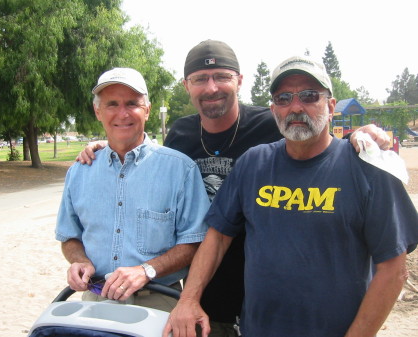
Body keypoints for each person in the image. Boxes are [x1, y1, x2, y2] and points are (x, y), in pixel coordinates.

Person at [77, 40, 392, 337]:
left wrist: (361, 137)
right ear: (186, 85)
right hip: (207, 293)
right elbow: (154, 163)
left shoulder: (271, 124)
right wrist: (113, 144)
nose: (211, 87)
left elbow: (316, 142)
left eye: (221, 76)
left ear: (239, 81)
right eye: (200, 78)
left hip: (275, 297)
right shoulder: (182, 133)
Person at [163, 55, 418, 337]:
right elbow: (218, 236)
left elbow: (393, 272)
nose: (295, 107)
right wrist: (188, 299)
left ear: (330, 106)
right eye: (284, 98)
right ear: (274, 109)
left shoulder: (368, 168)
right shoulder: (253, 164)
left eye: (309, 96)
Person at [55, 67, 210, 312]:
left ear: (147, 110)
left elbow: (195, 241)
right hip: (96, 298)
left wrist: (146, 270)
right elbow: (69, 236)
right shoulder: (80, 171)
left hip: (159, 300)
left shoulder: (180, 169)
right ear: (97, 111)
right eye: (112, 104)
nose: (122, 113)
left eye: (132, 104)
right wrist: (79, 261)